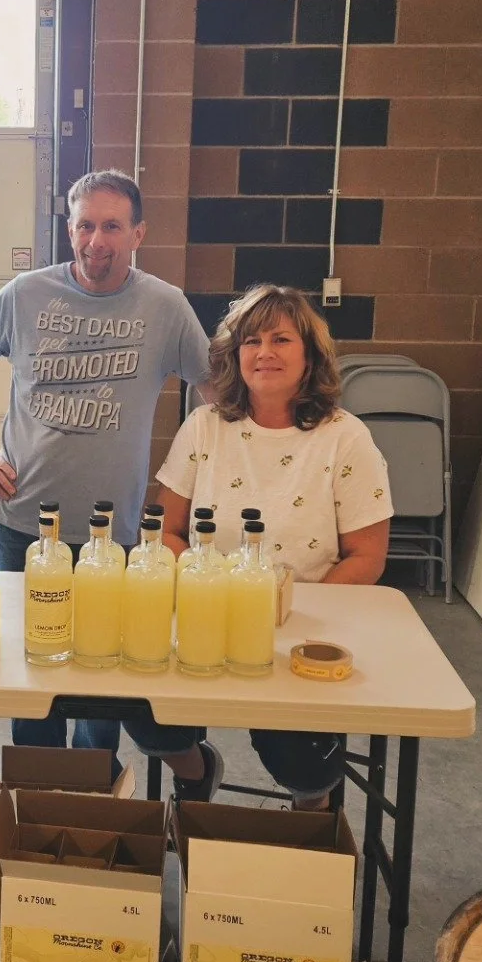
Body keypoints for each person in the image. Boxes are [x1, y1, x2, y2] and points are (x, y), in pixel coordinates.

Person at [0, 168, 212, 748]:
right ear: (70, 231)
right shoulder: (27, 294)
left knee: (100, 682)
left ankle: (92, 807)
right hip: (21, 523)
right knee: (31, 680)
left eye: (112, 226)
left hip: (111, 539)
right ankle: (36, 811)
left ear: (138, 233)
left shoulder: (166, 307)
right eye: (85, 225)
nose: (98, 241)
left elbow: (216, 391)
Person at [126, 282, 393, 806]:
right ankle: (194, 770)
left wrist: (285, 609)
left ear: (310, 355)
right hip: (204, 614)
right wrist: (211, 591)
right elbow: (166, 532)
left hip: (298, 628)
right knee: (144, 710)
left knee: (299, 759)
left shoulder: (346, 437)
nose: (264, 353)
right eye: (251, 341)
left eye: (281, 340)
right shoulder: (204, 427)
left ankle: (308, 812)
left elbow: (368, 556)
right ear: (234, 354)